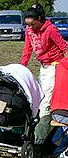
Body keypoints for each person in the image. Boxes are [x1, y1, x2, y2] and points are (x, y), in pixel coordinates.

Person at [20, 3, 67, 145]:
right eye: (28, 24)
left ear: (40, 19)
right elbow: (27, 49)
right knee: (40, 96)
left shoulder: (51, 30)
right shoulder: (29, 30)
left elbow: (64, 48)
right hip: (43, 67)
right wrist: (22, 67)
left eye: (33, 24)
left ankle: (40, 136)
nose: (31, 27)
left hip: (55, 66)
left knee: (46, 99)